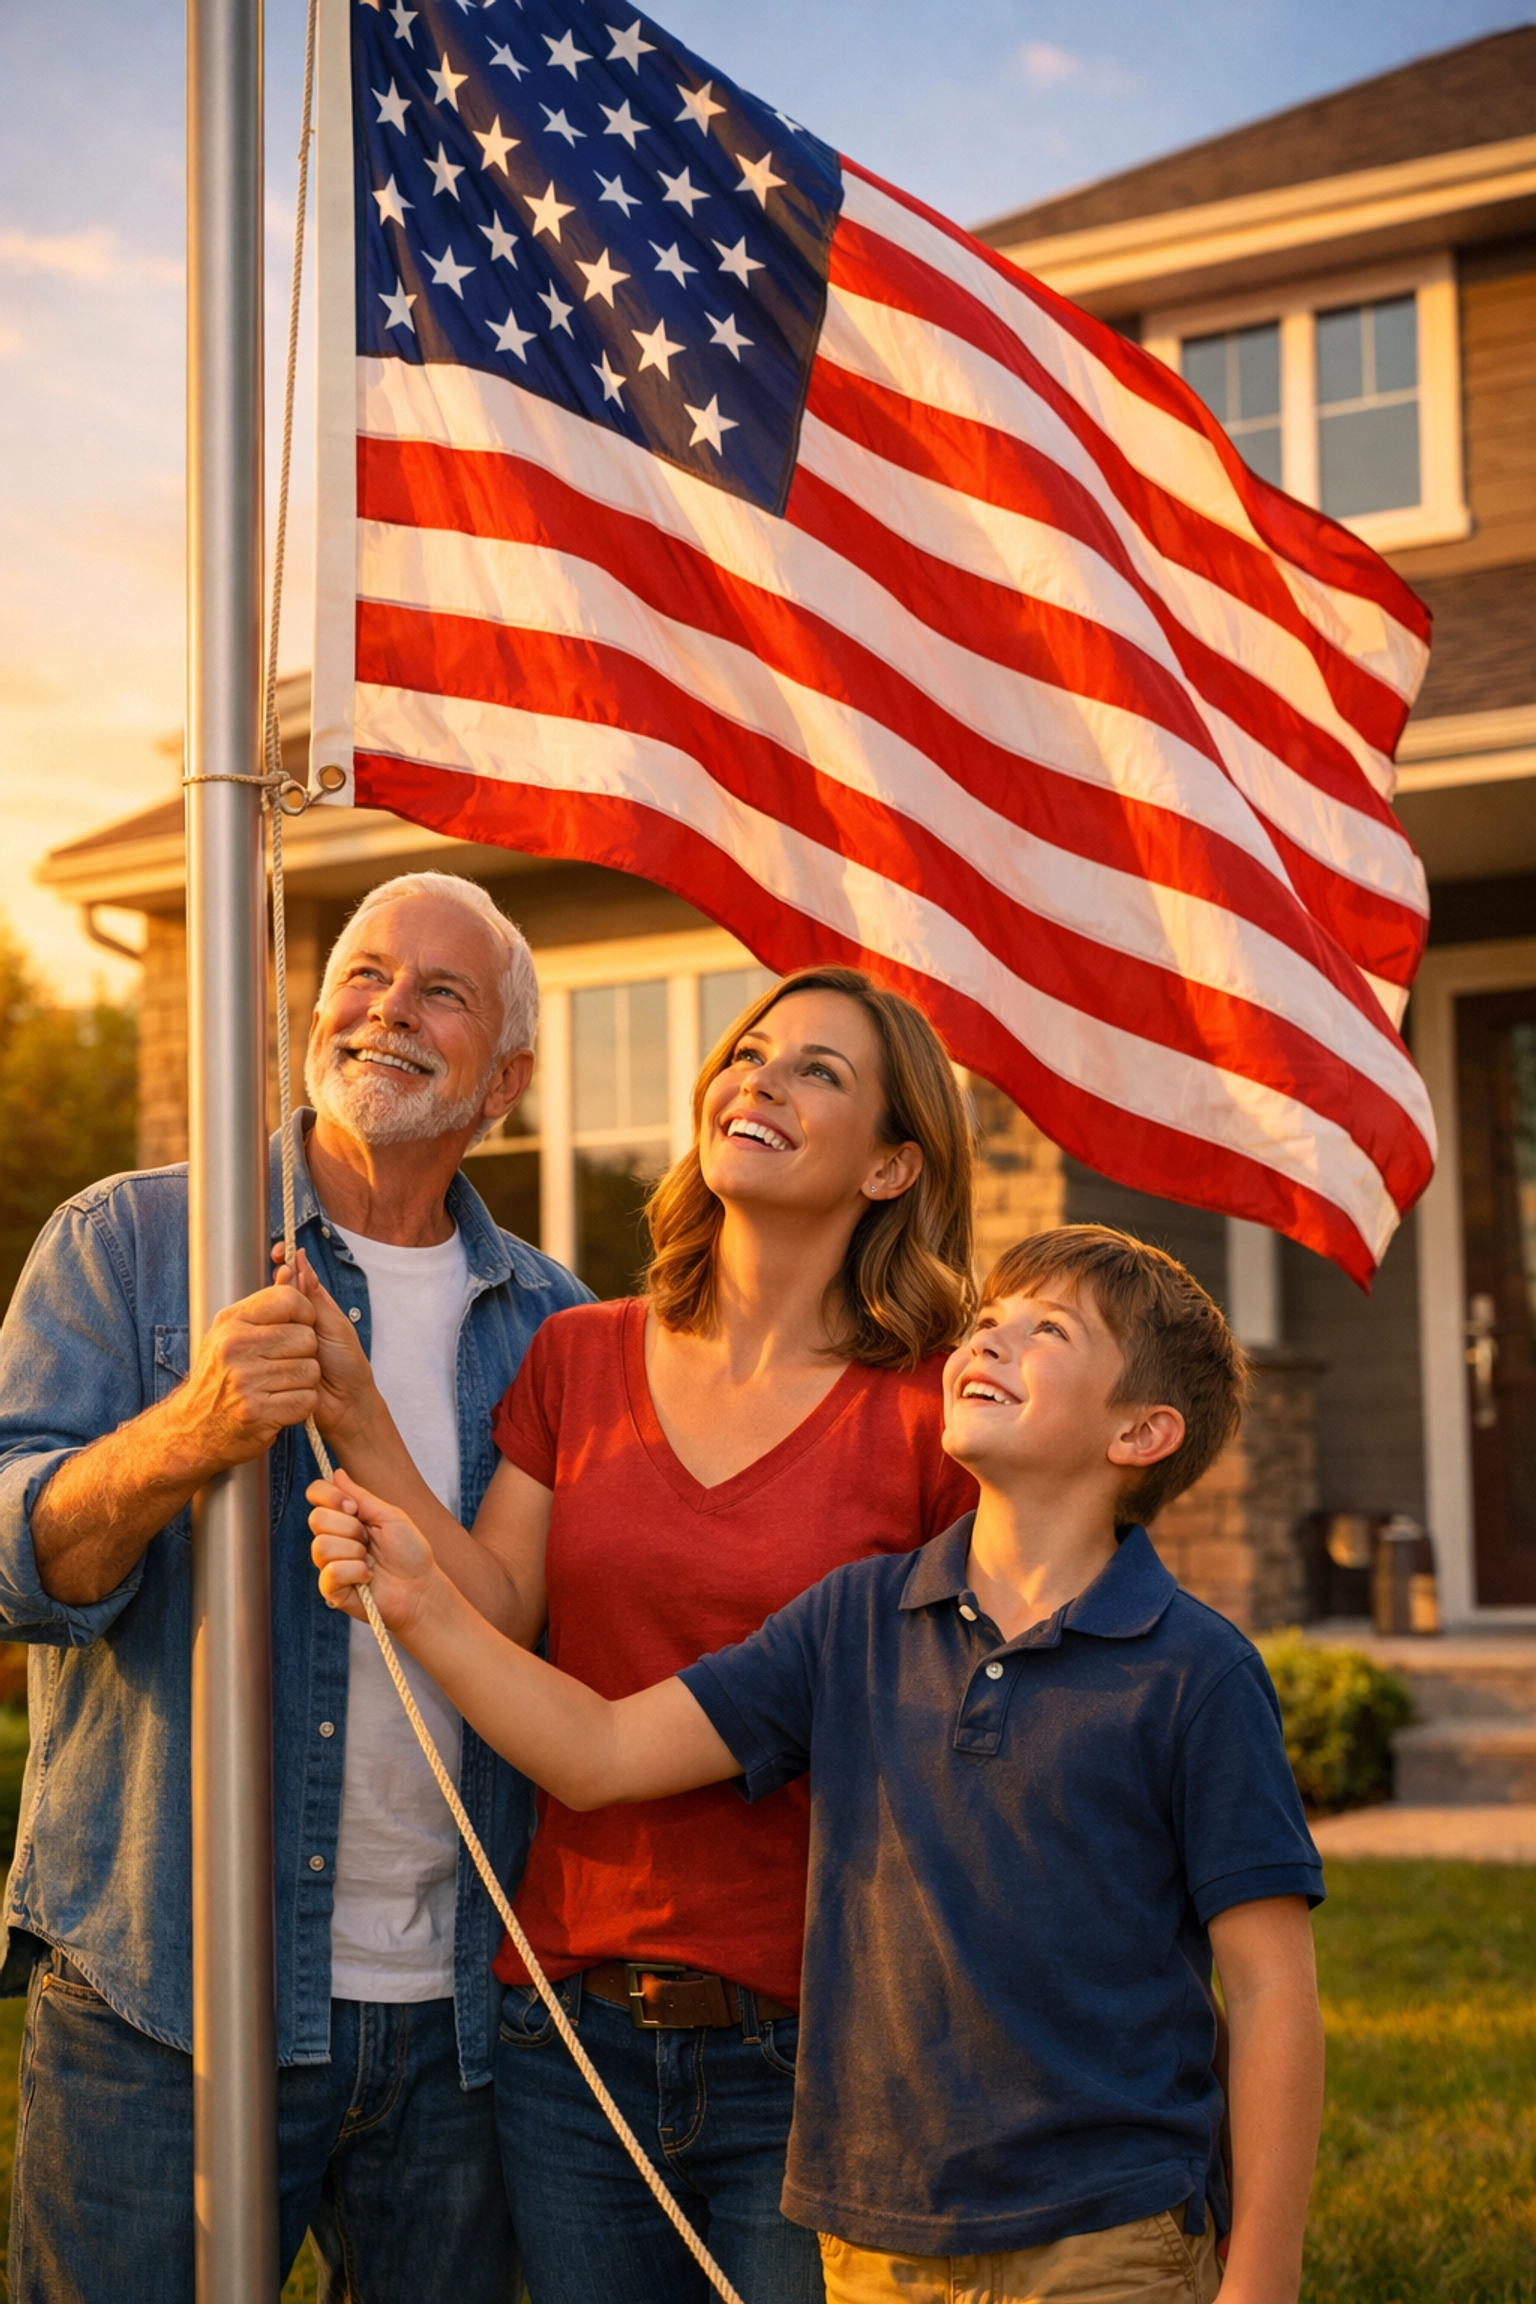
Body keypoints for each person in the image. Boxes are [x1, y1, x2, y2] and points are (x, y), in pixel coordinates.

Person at [312, 1223, 1327, 2304]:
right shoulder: (855, 1620)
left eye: (1046, 1331)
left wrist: (1262, 2269)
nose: (987, 1341)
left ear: (1142, 1432)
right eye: (986, 1320)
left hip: (1107, 2237)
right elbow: (599, 1752)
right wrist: (423, 1606)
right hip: (880, 2245)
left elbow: (1271, 1990)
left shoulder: (1197, 1673)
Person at [302, 965, 979, 2304]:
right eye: (751, 1052)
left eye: (819, 1072)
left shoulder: (937, 1411)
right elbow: (501, 1612)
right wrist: (359, 1415)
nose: (759, 1080)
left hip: (821, 2045)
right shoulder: (582, 1355)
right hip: (568, 2033)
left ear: (894, 1168)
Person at [0, 871, 589, 2304]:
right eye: (364, 976)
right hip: (167, 2002)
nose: (389, 1011)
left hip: (461, 2022)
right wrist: (189, 1433)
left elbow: (560, 1639)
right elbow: (20, 1564)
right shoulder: (134, 1243)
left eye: (441, 992)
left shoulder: (563, 1328)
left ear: (505, 1078)